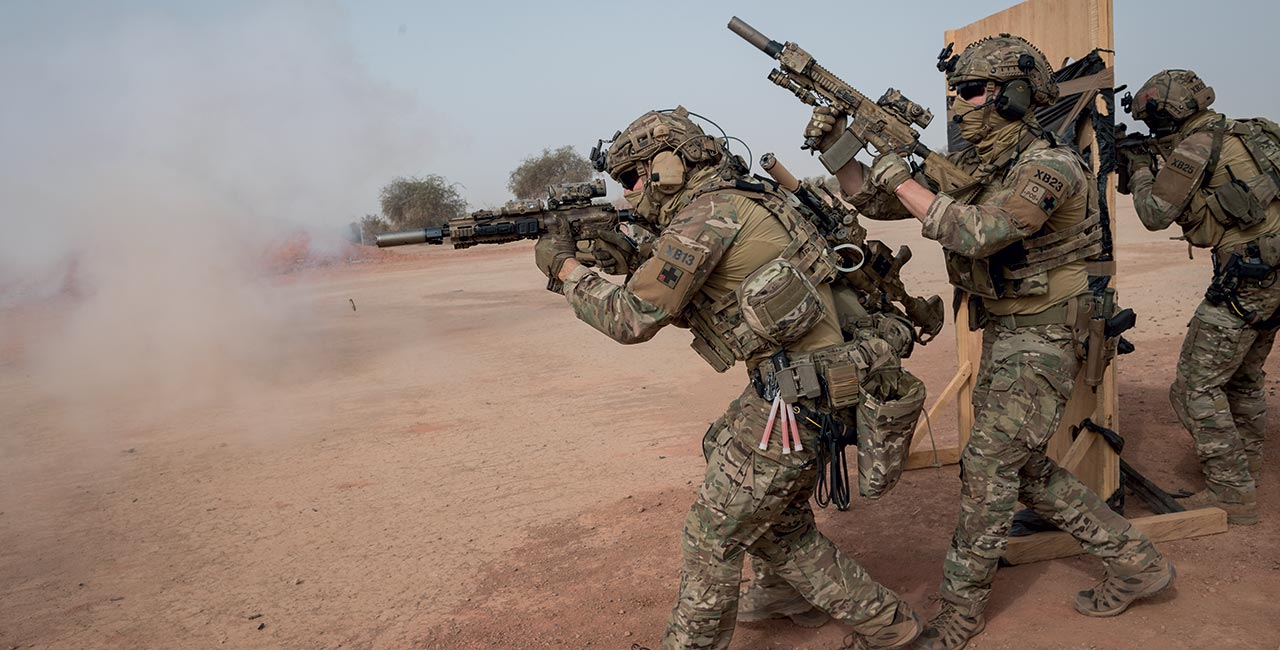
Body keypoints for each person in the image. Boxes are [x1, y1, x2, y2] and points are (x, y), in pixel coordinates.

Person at [804, 35, 1175, 649]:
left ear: (1015, 95)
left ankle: (959, 616)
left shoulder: (1048, 166)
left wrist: (899, 171)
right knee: (1020, 467)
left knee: (986, 467)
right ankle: (1137, 562)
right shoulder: (986, 163)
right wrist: (838, 147)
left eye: (974, 91)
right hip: (1011, 330)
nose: (962, 103)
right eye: (959, 92)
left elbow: (978, 232)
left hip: (1050, 333)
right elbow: (872, 196)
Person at [535, 106, 924, 649]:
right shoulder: (747, 196)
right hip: (818, 380)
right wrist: (626, 252)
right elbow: (692, 275)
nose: (627, 193)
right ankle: (877, 622)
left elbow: (630, 318)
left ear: (667, 165)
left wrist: (565, 270)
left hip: (802, 393)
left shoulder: (708, 215)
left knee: (711, 533)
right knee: (761, 504)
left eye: (631, 178)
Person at [1119, 69, 1280, 525]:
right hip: (1272, 274)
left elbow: (1154, 214)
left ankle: (1231, 493)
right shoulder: (1248, 131)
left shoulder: (1194, 146)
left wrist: (1143, 169)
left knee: (1192, 388)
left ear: (1169, 110)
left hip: (1248, 278)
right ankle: (1244, 473)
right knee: (1242, 379)